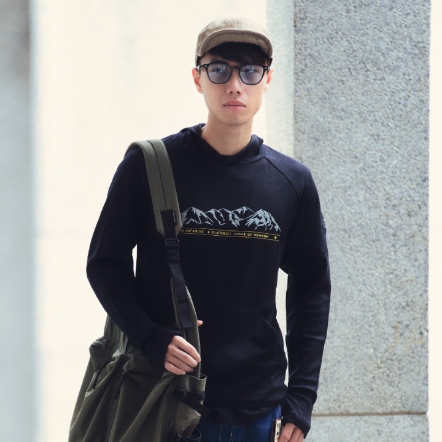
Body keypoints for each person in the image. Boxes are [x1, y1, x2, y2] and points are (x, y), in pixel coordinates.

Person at [87, 17, 331, 442]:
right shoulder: (149, 167)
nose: (235, 85)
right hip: (164, 396)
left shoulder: (292, 182)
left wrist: (302, 397)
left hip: (259, 410)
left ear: (267, 79)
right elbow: (104, 263)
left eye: (249, 71)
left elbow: (311, 289)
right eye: (219, 70)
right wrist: (149, 336)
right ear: (197, 78)